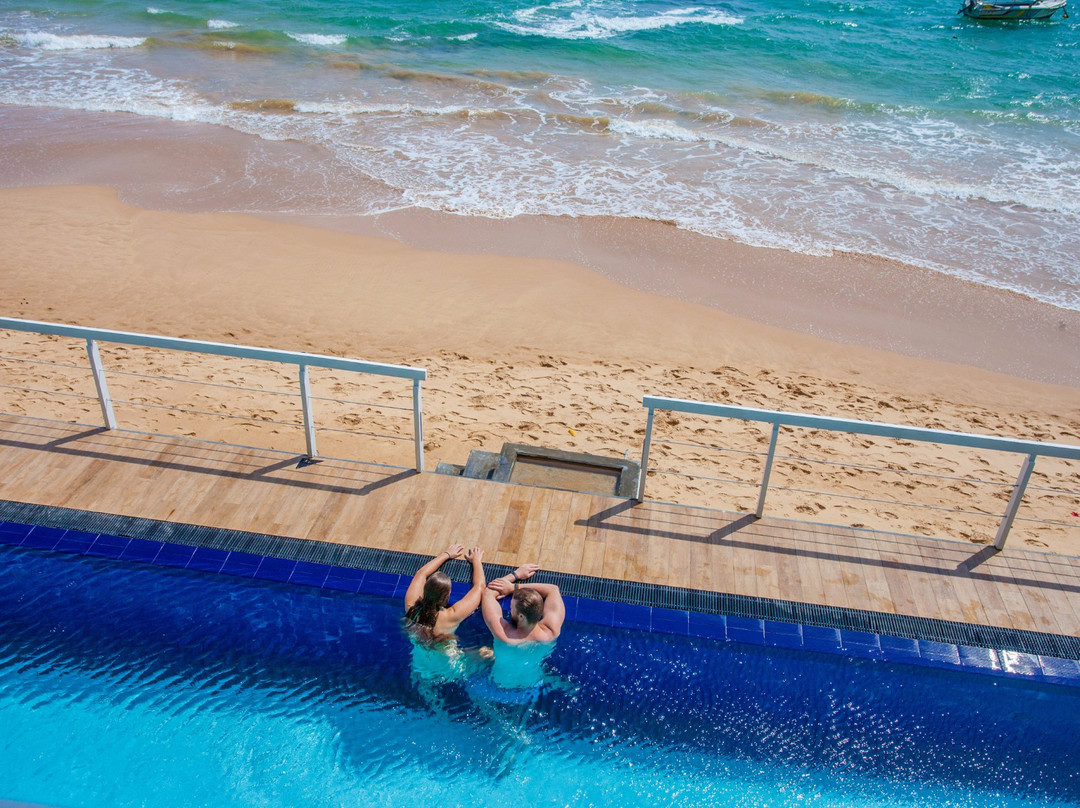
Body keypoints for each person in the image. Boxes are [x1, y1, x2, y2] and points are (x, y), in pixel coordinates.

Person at [480, 563, 565, 689]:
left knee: (480, 652)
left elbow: (488, 593)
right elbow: (553, 589)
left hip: (499, 684)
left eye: (512, 606)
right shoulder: (551, 631)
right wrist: (515, 587)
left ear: (521, 617)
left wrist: (516, 575)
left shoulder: (504, 634)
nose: (510, 607)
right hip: (531, 685)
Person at [404, 543, 485, 642]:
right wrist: (476, 560)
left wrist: (446, 554)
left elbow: (421, 574)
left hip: (418, 649)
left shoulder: (411, 608)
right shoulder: (451, 616)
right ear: (447, 595)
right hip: (445, 654)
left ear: (425, 589)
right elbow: (479, 587)